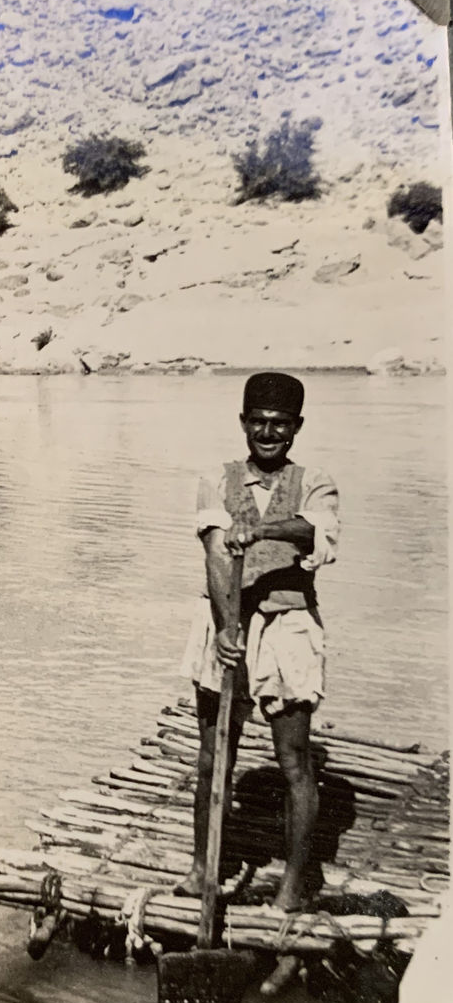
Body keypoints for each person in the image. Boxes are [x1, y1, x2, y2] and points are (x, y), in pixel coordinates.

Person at [176, 371, 339, 915]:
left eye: (280, 424)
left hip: (289, 628)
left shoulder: (316, 481)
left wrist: (266, 530)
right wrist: (227, 631)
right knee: (212, 758)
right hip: (225, 623)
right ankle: (203, 870)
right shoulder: (214, 480)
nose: (269, 433)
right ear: (243, 423)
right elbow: (216, 554)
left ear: (296, 428)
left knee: (293, 760)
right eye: (259, 422)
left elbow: (317, 532)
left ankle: (294, 882)